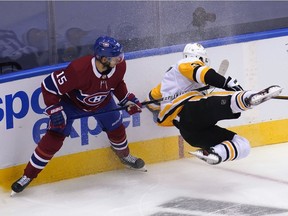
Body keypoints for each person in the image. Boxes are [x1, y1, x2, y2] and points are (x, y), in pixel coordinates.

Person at [11, 36, 145, 194]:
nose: (119, 59)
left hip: (102, 101)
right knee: (54, 137)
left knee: (117, 128)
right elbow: (48, 87)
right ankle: (28, 175)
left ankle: (124, 156)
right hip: (71, 105)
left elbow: (116, 83)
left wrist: (126, 100)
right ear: (102, 58)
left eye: (119, 55)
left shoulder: (120, 66)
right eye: (115, 57)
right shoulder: (78, 70)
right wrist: (55, 110)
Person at [146, 43, 282, 165]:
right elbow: (205, 74)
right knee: (216, 102)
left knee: (243, 144)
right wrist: (227, 83)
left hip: (189, 132)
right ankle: (249, 98)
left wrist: (155, 111)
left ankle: (215, 153)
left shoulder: (167, 81)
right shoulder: (185, 63)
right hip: (190, 111)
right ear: (199, 58)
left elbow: (151, 99)